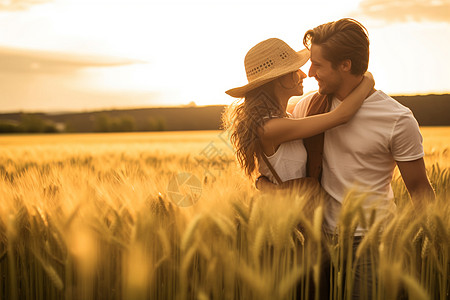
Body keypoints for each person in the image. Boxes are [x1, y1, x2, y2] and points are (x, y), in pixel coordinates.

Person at [258, 18, 436, 299]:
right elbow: (276, 159)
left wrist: (428, 245)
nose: (310, 71)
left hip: (372, 242)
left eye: (318, 64)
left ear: (345, 65)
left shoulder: (397, 119)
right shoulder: (308, 106)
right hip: (318, 240)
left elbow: (419, 189)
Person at [224, 38, 374, 192]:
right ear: (276, 79)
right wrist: (367, 80)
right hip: (285, 213)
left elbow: (267, 172)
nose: (303, 74)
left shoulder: (288, 117)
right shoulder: (269, 128)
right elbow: (341, 116)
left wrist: (261, 182)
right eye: (294, 70)